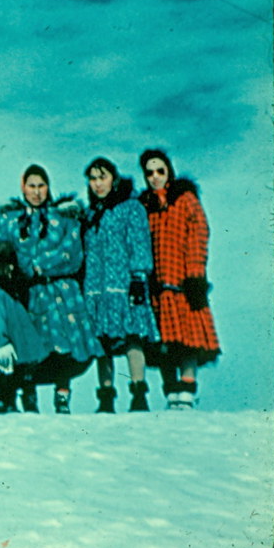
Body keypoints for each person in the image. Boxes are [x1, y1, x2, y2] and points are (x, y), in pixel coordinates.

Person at [0, 164, 103, 414]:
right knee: (29, 347)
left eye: (41, 186)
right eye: (31, 186)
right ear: (23, 187)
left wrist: (37, 266)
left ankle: (62, 397)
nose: (36, 192)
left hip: (61, 294)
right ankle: (28, 397)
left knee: (63, 347)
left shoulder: (64, 218)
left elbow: (72, 254)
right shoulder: (9, 221)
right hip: (27, 294)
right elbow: (3, 254)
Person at [138, 149, 221, 410]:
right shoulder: (145, 206)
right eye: (149, 173)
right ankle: (171, 392)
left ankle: (187, 388)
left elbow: (199, 234)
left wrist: (195, 274)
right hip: (157, 286)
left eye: (160, 171)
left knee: (187, 340)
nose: (155, 177)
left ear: (169, 172)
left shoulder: (184, 200)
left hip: (182, 283)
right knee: (163, 342)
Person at [81, 157, 160, 413]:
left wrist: (139, 276)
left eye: (102, 177)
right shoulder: (91, 213)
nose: (97, 184)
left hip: (124, 283)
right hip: (96, 286)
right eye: (93, 179)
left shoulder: (130, 207)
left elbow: (139, 243)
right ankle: (106, 398)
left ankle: (139, 393)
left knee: (131, 336)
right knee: (102, 341)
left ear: (113, 179)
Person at [0, 248, 49, 413]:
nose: (11, 270)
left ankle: (11, 403)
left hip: (11, 358)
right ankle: (1, 403)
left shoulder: (2, 292)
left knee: (11, 383)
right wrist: (1, 342)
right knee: (1, 385)